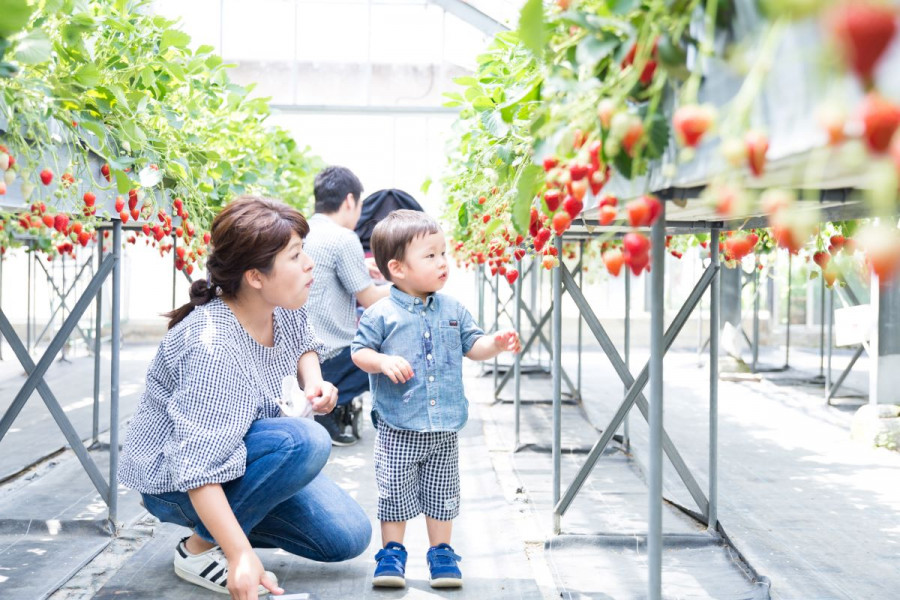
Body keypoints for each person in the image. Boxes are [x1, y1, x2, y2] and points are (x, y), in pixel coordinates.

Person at [117, 196, 371, 599]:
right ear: (255, 276)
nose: (309, 264)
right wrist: (238, 555)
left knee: (347, 537)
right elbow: (197, 468)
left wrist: (314, 381)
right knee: (305, 441)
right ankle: (199, 550)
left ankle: (231, 525)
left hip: (240, 456)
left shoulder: (280, 305)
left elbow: (303, 341)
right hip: (177, 483)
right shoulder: (213, 347)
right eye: (295, 255)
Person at [350, 210, 520, 589]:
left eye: (443, 253)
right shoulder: (381, 314)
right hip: (398, 426)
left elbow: (473, 345)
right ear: (397, 268)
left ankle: (441, 553)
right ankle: (392, 555)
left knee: (442, 494)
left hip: (444, 427)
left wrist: (495, 342)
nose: (443, 262)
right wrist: (381, 360)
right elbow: (359, 352)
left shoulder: (453, 310)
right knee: (394, 493)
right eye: (430, 256)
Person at [304, 166, 391, 446]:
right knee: (387, 353)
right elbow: (369, 299)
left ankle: (326, 405)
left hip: (300, 352)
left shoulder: (302, 230)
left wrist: (361, 267)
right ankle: (328, 409)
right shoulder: (344, 237)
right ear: (350, 201)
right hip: (329, 356)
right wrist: (407, 283)